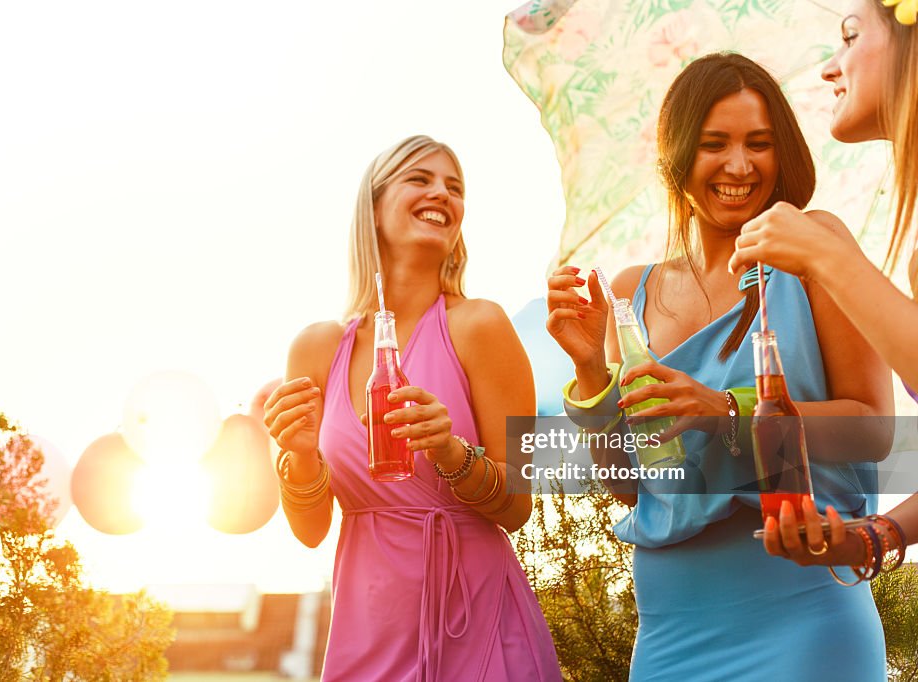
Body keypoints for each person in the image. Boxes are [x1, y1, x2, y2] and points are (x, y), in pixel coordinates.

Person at [548, 53, 893, 680]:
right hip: (670, 633)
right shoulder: (633, 293)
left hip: (804, 614)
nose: (740, 165)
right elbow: (631, 484)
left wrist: (725, 412)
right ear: (677, 154)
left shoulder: (812, 247)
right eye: (715, 144)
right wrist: (591, 375)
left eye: (759, 144)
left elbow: (874, 427)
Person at [262, 135, 562, 681]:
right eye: (420, 179)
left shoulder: (481, 326)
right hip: (368, 625)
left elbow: (518, 508)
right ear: (374, 208)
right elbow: (309, 531)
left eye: (455, 187)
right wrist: (300, 457)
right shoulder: (317, 347)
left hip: (479, 620)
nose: (442, 194)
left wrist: (450, 451)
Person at [730, 0, 918, 579]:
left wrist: (823, 255)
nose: (829, 68)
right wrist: (872, 537)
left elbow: (874, 430)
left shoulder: (825, 256)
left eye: (851, 36)